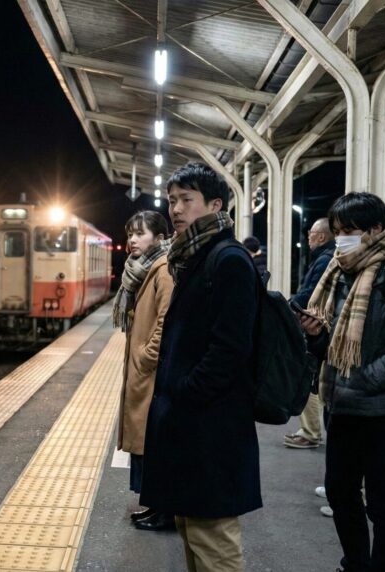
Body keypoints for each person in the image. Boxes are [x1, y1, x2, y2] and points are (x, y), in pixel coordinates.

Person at [299, 192, 385, 572]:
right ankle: (355, 564)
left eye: (350, 231)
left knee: (383, 502)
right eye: (338, 230)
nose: (341, 239)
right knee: (342, 494)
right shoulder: (342, 272)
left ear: (377, 229)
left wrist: (364, 379)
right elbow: (337, 347)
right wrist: (315, 335)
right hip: (343, 405)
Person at [140, 163, 260, 570]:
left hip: (212, 425)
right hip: (191, 423)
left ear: (215, 204)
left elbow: (231, 348)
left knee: (213, 538)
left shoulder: (227, 260)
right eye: (172, 200)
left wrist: (188, 393)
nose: (175, 209)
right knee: (193, 527)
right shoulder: (193, 256)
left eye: (186, 200)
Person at [112, 211, 174, 531]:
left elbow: (166, 319)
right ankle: (156, 504)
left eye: (140, 233)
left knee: (153, 444)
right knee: (147, 444)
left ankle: (164, 509)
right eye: (130, 234)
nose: (133, 240)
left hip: (151, 372)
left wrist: (146, 356)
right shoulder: (143, 270)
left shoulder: (162, 270)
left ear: (160, 238)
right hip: (144, 371)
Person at [284, 218, 336, 449]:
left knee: (310, 378)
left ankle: (311, 431)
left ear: (322, 237)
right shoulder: (326, 257)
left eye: (311, 234)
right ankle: (311, 430)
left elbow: (311, 292)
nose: (308, 237)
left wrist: (290, 306)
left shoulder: (325, 259)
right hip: (320, 327)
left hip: (317, 327)